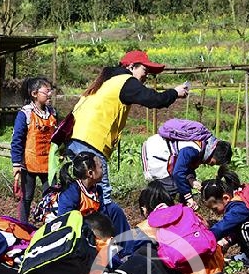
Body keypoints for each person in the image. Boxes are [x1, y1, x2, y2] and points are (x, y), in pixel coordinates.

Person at [68, 51, 189, 204]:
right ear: (131, 66)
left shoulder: (108, 80)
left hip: (76, 139)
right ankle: (104, 227)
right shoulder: (125, 80)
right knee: (102, 194)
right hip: (92, 140)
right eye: (145, 70)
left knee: (83, 192)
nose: (147, 75)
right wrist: (175, 92)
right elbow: (154, 100)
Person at [134, 181, 224, 274]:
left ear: (145, 208)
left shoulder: (147, 226)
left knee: (142, 254)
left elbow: (128, 252)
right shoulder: (187, 212)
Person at [142, 128, 232, 210]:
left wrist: (191, 180)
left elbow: (185, 166)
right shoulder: (192, 150)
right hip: (155, 154)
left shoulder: (203, 145)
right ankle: (150, 208)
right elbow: (178, 172)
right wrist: (189, 198)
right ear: (212, 153)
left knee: (182, 185)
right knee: (171, 188)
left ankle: (178, 211)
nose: (211, 165)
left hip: (163, 154)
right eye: (213, 163)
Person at [202, 169, 249, 267]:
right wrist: (227, 241)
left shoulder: (238, 206)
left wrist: (204, 239)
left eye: (215, 209)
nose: (214, 213)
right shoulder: (245, 194)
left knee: (245, 227)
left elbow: (223, 227)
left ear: (226, 198)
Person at [11, 77, 57, 224]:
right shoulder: (25, 114)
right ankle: (23, 227)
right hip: (29, 164)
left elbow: (58, 136)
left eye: (50, 91)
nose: (49, 94)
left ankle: (50, 228)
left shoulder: (53, 113)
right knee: (27, 197)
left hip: (48, 164)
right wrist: (16, 163)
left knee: (51, 196)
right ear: (34, 94)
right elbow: (17, 139)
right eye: (46, 91)